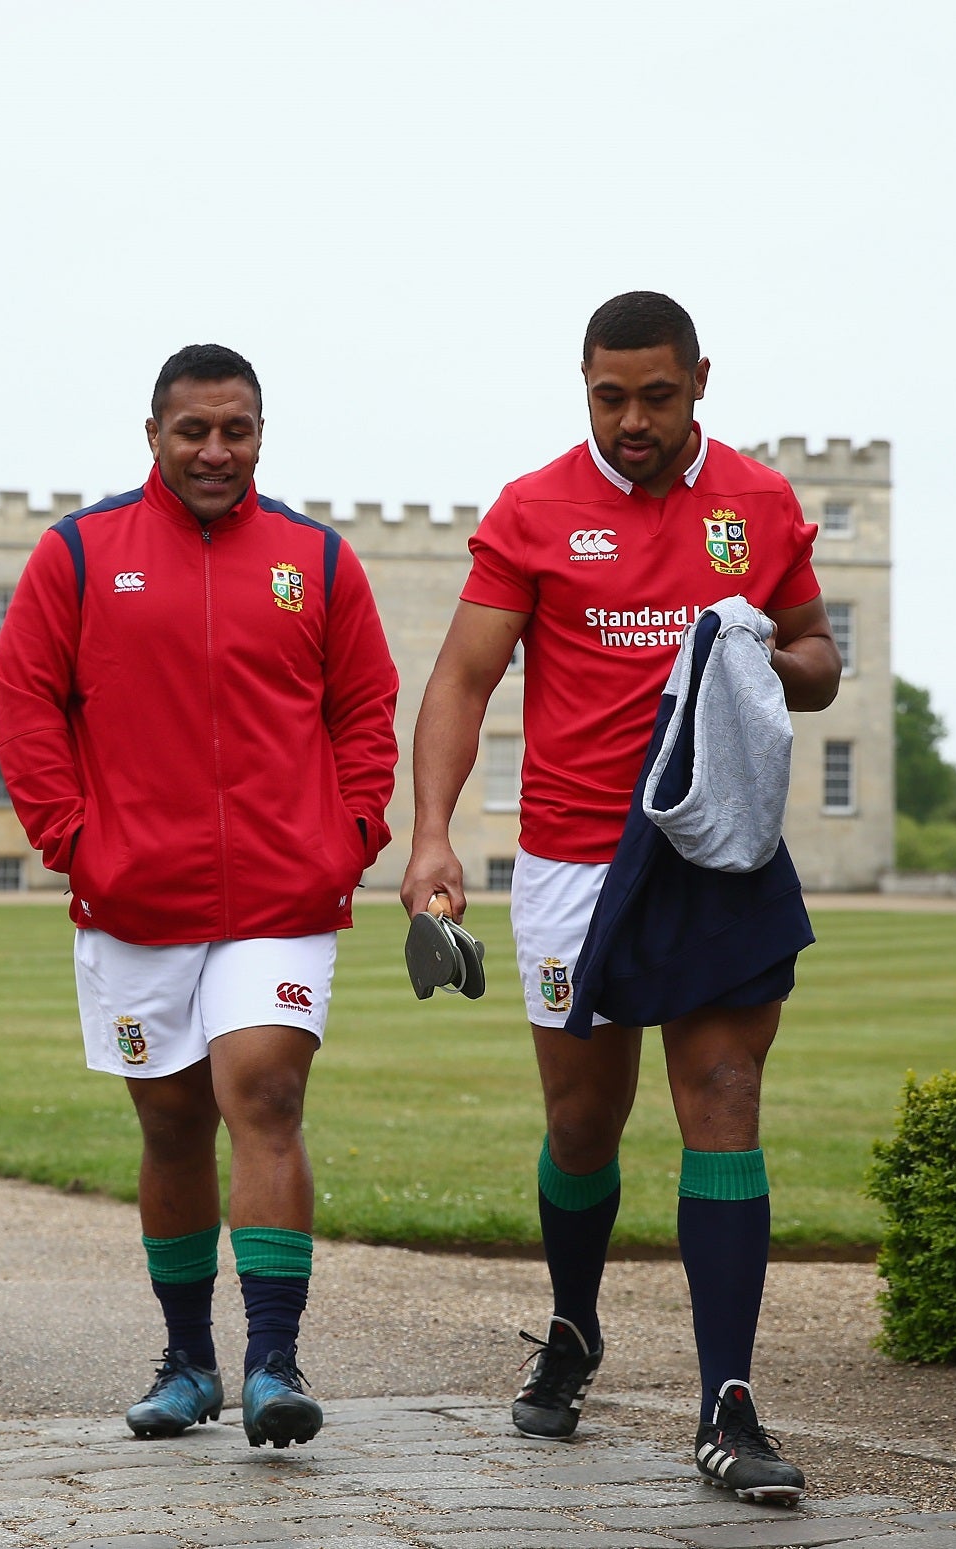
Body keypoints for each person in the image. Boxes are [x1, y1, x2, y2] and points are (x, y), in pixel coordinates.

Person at [398, 293, 840, 1503]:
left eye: (656, 395)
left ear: (700, 379)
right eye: (608, 397)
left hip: (718, 852)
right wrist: (430, 834)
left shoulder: (758, 501)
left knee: (724, 1092)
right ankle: (574, 1325)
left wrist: (750, 641)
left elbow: (818, 663)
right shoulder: (532, 508)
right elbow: (459, 680)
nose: (631, 420)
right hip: (574, 862)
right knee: (584, 1124)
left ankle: (726, 1403)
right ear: (582, 385)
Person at [0, 344, 398, 1449]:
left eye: (238, 430)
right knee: (171, 1125)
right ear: (153, 435)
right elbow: (25, 702)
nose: (216, 451)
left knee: (262, 1094)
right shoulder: (77, 554)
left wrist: (352, 832)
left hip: (280, 888)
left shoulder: (314, 558)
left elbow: (365, 705)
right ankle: (188, 1362)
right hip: (133, 897)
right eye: (194, 431)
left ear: (262, 434)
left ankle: (274, 1361)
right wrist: (73, 840)